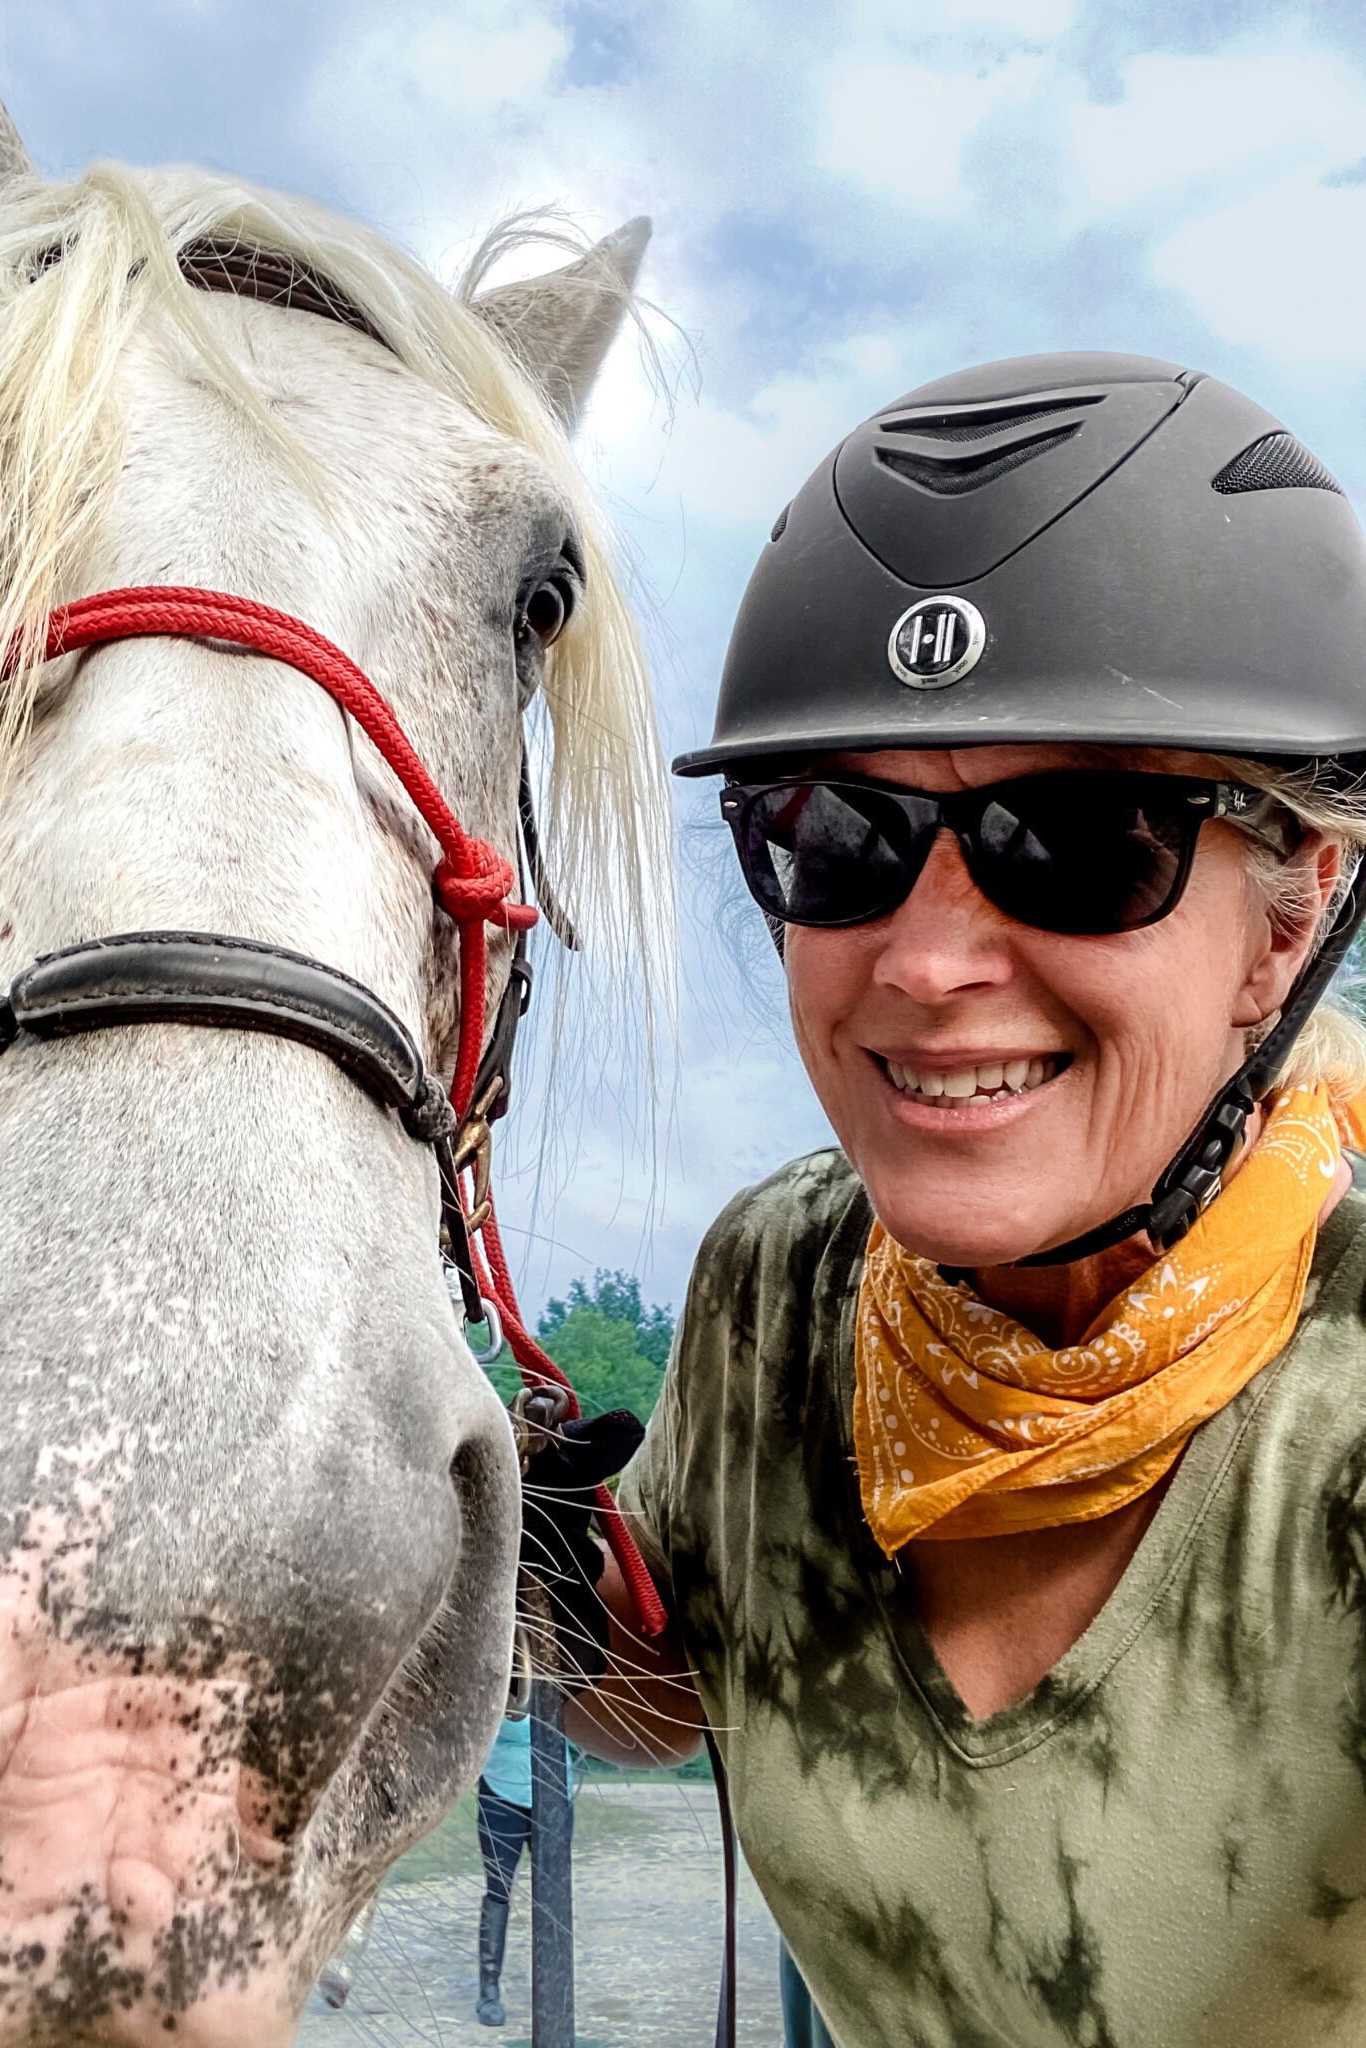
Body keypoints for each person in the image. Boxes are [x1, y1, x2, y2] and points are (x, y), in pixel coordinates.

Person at [562, 351, 1366, 2046]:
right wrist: (510, 1537)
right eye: (838, 834)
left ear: (1291, 916)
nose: (926, 963)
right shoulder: (775, 1281)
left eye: (1079, 839)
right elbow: (679, 1686)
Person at [473, 1710, 574, 2027]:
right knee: (498, 1890)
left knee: (555, 1894)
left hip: (555, 1791)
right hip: (500, 1793)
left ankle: (555, 1985)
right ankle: (489, 1993)